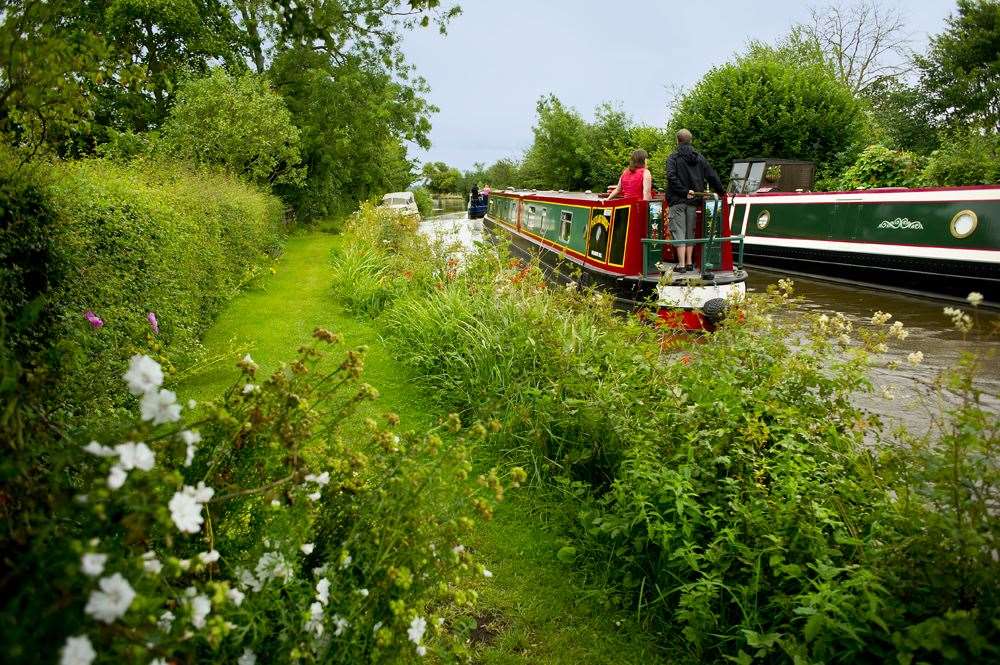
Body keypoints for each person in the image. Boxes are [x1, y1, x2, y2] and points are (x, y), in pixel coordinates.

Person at [666, 129, 724, 273]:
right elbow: (711, 175)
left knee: (679, 231)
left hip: (678, 200)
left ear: (677, 140)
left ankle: (681, 265)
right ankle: (690, 262)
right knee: (690, 231)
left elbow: (671, 177)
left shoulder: (673, 158)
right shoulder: (700, 158)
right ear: (690, 141)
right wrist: (722, 192)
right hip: (693, 202)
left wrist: (684, 192)